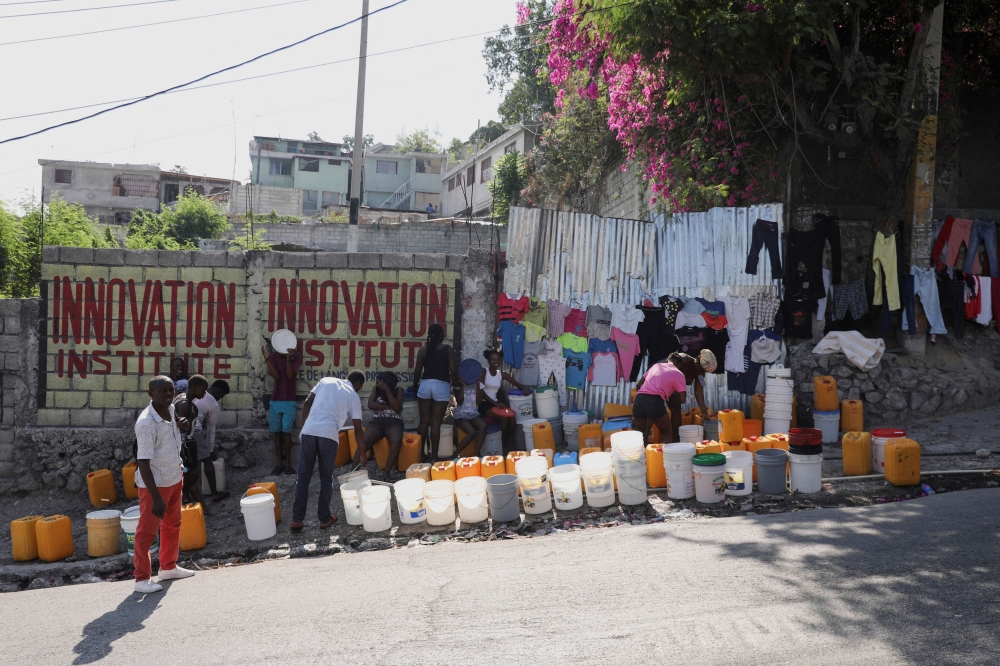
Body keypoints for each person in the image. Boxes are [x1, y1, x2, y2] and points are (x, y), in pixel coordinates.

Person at [132, 376, 196, 594]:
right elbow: (143, 462)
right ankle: (142, 578)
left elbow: (173, 435)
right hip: (156, 486)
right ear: (151, 393)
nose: (168, 395)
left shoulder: (170, 410)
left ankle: (168, 567)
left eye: (171, 390)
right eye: (163, 391)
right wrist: (155, 496)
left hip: (174, 477)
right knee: (146, 532)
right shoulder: (146, 423)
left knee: (172, 524)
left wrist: (183, 425)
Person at [291, 371, 366, 530]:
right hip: (329, 436)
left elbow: (306, 403)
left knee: (303, 477)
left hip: (309, 432)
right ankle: (324, 519)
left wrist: (304, 429)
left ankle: (297, 520)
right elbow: (358, 429)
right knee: (326, 478)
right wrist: (363, 452)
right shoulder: (353, 395)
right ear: (358, 384)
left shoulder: (325, 381)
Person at [633, 350, 715, 443]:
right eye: (700, 369)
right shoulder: (681, 360)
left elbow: (698, 392)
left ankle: (675, 441)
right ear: (697, 361)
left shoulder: (700, 372)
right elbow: (662, 371)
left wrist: (704, 411)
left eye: (703, 371)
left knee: (675, 410)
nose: (701, 372)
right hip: (659, 385)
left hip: (667, 391)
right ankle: (646, 438)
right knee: (653, 409)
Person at [412, 323, 457, 460]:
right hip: (441, 386)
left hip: (425, 385)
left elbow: (417, 371)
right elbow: (453, 370)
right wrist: (455, 385)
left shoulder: (423, 350)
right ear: (441, 335)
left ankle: (420, 455)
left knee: (424, 422)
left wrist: (415, 386)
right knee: (435, 423)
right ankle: (434, 458)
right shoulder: (447, 349)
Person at [263, 344, 302, 475]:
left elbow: (290, 376)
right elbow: (277, 376)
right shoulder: (273, 357)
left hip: (289, 400)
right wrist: (267, 359)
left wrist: (288, 359)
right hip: (275, 400)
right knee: (277, 433)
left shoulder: (296, 356)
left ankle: (288, 464)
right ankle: (279, 463)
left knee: (287, 432)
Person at [189, 376, 231, 502]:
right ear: (219, 393)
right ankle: (214, 493)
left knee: (186, 463)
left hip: (183, 428)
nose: (220, 399)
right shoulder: (213, 404)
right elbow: (211, 430)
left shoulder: (197, 392)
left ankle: (185, 496)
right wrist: (210, 450)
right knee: (207, 460)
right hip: (194, 429)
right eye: (221, 396)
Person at [359, 372, 405, 481]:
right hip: (378, 422)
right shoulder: (377, 389)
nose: (379, 384)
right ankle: (352, 472)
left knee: (396, 440)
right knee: (364, 441)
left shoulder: (399, 390)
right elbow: (371, 404)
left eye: (382, 383)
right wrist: (390, 406)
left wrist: (387, 391)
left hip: (394, 422)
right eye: (378, 382)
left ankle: (386, 474)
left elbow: (397, 408)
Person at [479, 348, 528, 446]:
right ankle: (499, 445)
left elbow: (516, 383)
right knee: (503, 420)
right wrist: (495, 403)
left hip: (495, 404)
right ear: (488, 361)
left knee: (513, 420)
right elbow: (481, 391)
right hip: (484, 404)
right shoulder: (484, 372)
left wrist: (523, 388)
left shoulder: (501, 374)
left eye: (498, 359)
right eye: (493, 359)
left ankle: (505, 443)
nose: (496, 361)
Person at [172, 394, 207, 510]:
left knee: (189, 477)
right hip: (180, 448)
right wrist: (191, 418)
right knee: (190, 477)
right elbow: (187, 431)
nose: (204, 393)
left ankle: (201, 506)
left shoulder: (177, 403)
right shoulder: (186, 405)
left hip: (181, 447)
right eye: (202, 390)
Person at [452, 376, 487, 458]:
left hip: (473, 414)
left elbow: (479, 401)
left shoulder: (479, 384)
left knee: (483, 426)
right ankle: (455, 454)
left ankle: (476, 453)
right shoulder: (457, 385)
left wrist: (478, 384)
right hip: (461, 414)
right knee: (472, 433)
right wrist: (462, 385)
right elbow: (460, 401)